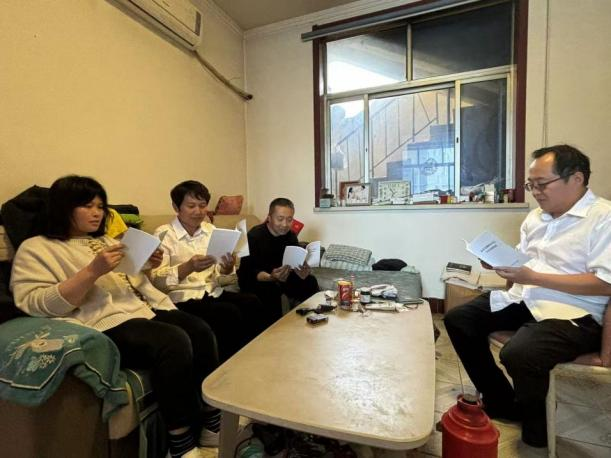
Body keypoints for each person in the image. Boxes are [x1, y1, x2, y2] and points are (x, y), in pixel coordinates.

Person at [10, 176, 220, 458]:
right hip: (102, 322)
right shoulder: (36, 247)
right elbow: (35, 303)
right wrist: (91, 271)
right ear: (62, 208)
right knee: (173, 340)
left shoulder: (108, 240)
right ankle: (180, 443)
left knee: (201, 330)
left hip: (143, 309)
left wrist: (146, 265)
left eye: (100, 206)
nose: (97, 213)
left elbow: (134, 282)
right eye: (87, 206)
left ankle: (211, 421)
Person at [444, 145, 611, 448]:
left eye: (541, 184)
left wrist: (533, 277)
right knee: (459, 319)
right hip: (527, 298)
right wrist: (499, 262)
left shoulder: (603, 217)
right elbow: (526, 261)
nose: (535, 192)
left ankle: (536, 428)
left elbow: (605, 283)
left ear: (576, 179)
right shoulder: (535, 218)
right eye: (530, 185)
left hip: (575, 313)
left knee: (520, 353)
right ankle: (502, 402)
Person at [150, 180, 271, 361]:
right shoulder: (164, 234)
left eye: (202, 205)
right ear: (176, 207)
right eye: (191, 206)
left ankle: (254, 359)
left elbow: (221, 274)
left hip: (211, 292)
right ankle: (226, 369)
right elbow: (156, 282)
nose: (198, 211)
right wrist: (188, 267)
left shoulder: (210, 230)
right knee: (228, 313)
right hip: (182, 298)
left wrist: (227, 267)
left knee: (252, 302)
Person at [237, 198, 319, 319]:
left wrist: (302, 272)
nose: (285, 224)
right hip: (257, 279)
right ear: (269, 218)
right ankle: (275, 329)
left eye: (289, 219)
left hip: (282, 277)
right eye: (280, 219)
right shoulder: (254, 236)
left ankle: (310, 318)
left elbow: (293, 264)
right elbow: (247, 272)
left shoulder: (291, 236)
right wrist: (270, 277)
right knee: (271, 290)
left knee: (310, 281)